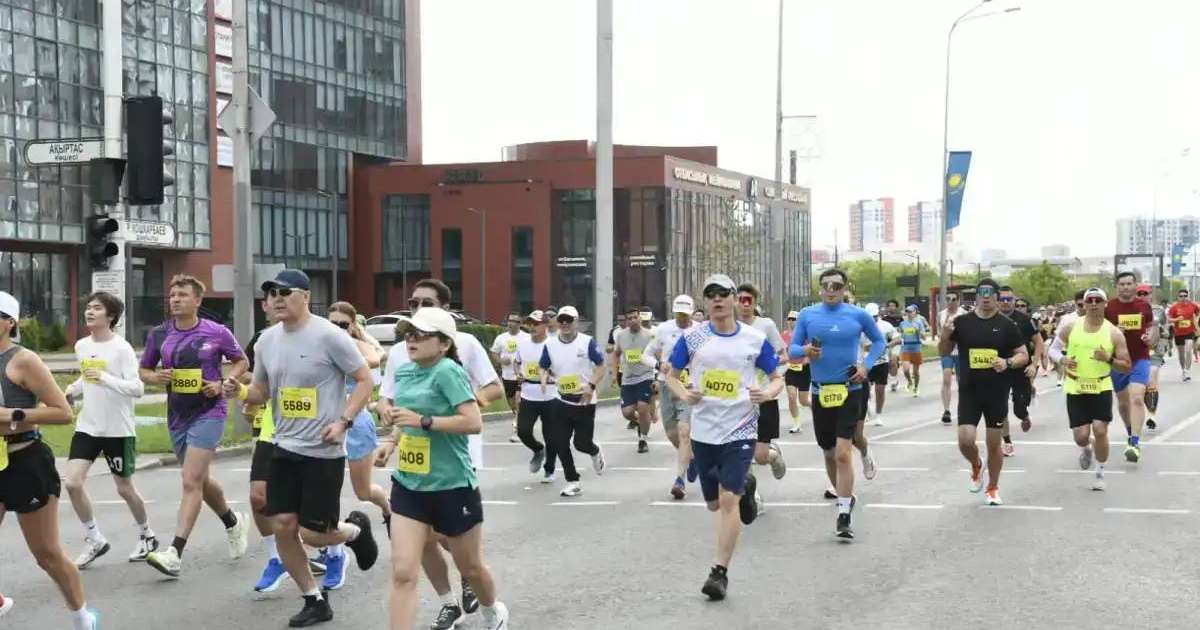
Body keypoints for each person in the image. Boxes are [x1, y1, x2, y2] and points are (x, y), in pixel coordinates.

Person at [224, 269, 379, 627]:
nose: (276, 298)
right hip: (283, 446)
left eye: (284, 292)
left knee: (314, 532)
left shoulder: (328, 336)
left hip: (323, 451)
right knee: (282, 524)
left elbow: (364, 379)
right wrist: (242, 392)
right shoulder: (265, 341)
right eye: (271, 293)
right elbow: (262, 390)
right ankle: (314, 599)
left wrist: (344, 421)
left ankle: (355, 531)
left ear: (305, 297)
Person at [377, 278, 502, 629]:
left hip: (452, 484)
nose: (411, 339)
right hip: (410, 484)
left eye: (421, 334)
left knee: (471, 568)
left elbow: (473, 421)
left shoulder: (450, 372)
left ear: (445, 343)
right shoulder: (404, 371)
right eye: (408, 333)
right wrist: (390, 442)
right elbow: (406, 420)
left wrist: (426, 420)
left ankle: (492, 611)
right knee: (403, 572)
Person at [667, 274, 780, 600]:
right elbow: (671, 377)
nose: (717, 300)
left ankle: (719, 572)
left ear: (734, 299)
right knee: (714, 503)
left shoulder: (754, 339)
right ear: (706, 302)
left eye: (723, 294)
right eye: (711, 295)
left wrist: (767, 393)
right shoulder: (693, 338)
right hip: (704, 431)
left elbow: (776, 378)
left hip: (740, 427)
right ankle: (747, 487)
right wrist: (685, 393)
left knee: (728, 501)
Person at [0, 292, 99, 629]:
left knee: (47, 555)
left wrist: (10, 415)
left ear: (9, 322)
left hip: (25, 460)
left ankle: (82, 618)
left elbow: (62, 412)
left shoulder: (22, 360)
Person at [141, 274, 250, 578]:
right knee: (198, 480)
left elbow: (241, 362)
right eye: (172, 295)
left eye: (183, 295)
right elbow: (144, 370)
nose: (175, 299)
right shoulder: (159, 334)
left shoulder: (216, 332)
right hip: (177, 415)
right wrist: (155, 378)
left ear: (198, 301)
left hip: (210, 412)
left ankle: (174, 552)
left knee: (190, 480)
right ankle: (232, 522)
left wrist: (224, 382)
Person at [62, 292, 156, 569]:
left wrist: (105, 378)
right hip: (88, 426)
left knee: (124, 489)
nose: (90, 312)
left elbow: (137, 388)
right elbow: (86, 377)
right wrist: (72, 390)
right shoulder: (81, 346)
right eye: (88, 307)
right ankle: (95, 539)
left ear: (111, 316)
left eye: (97, 308)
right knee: (72, 482)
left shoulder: (122, 349)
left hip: (118, 430)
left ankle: (147, 536)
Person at [790, 269, 884, 540]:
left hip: (850, 388)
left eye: (837, 285)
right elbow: (792, 350)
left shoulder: (857, 314)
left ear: (844, 289)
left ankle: (843, 513)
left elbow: (879, 342)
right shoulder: (808, 315)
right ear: (820, 289)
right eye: (826, 285)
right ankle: (845, 496)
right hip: (821, 393)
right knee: (830, 453)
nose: (832, 289)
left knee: (844, 452)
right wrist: (806, 351)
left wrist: (865, 367)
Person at [317, 301, 390, 590]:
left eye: (343, 324)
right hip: (324, 425)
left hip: (356, 423)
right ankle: (333, 550)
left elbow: (374, 359)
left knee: (363, 491)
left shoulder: (358, 344)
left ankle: (388, 509)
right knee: (326, 489)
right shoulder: (318, 342)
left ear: (353, 326)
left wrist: (351, 343)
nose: (336, 329)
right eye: (331, 324)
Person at [939, 278, 1030, 506]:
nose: (986, 297)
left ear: (997, 297)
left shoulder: (1007, 325)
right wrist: (944, 334)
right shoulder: (962, 322)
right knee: (965, 440)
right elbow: (944, 351)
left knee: (993, 444)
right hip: (970, 390)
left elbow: (1023, 355)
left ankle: (992, 487)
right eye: (982, 293)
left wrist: (1007, 362)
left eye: (991, 294)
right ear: (977, 296)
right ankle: (976, 464)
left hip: (996, 392)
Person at [1052, 288, 1131, 491]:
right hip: (1076, 385)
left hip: (1101, 384)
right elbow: (1052, 349)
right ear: (1084, 304)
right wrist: (1062, 359)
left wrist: (1109, 359)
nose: (1093, 304)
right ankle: (1086, 448)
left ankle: (1100, 471)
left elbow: (1126, 365)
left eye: (1098, 300)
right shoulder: (1071, 326)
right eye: (1090, 300)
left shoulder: (1113, 332)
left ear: (1106, 304)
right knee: (1081, 435)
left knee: (1100, 429)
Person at [539, 305, 607, 497]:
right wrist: (544, 378)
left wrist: (591, 385)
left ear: (576, 322)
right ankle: (573, 481)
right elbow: (543, 366)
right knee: (560, 442)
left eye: (569, 320)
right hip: (562, 400)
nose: (565, 324)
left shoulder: (587, 342)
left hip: (585, 401)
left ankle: (594, 451)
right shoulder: (550, 344)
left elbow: (601, 366)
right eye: (561, 320)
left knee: (581, 444)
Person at [642, 295, 700, 498]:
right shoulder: (663, 329)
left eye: (685, 314)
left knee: (684, 431)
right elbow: (645, 355)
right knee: (672, 434)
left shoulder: (699, 331)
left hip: (689, 386)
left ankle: (679, 480)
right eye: (678, 314)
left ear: (692, 313)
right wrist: (659, 365)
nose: (682, 318)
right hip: (668, 385)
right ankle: (691, 458)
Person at [735, 284, 788, 490]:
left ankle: (773, 456)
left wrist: (765, 361)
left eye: (749, 300)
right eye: (741, 299)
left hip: (764, 397)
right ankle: (751, 496)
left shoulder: (765, 325)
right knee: (742, 453)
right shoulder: (728, 328)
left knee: (761, 456)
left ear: (755, 302)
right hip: (738, 399)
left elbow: (784, 355)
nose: (744, 304)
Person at [1104, 271, 1157, 463]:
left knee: (1136, 398)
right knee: (1124, 403)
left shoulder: (1144, 306)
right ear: (1117, 286)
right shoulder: (1108, 307)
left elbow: (1152, 329)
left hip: (1140, 358)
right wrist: (1115, 332)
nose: (1126, 287)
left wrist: (1150, 337)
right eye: (1122, 284)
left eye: (1129, 284)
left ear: (1135, 286)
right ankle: (1129, 431)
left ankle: (1134, 442)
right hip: (1118, 361)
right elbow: (1100, 333)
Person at [512, 311, 557, 483]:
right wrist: (518, 375)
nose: (532, 327)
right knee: (523, 431)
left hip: (550, 395)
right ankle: (538, 450)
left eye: (536, 324)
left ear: (545, 325)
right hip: (528, 393)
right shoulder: (523, 344)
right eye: (530, 323)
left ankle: (549, 469)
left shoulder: (553, 344)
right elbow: (517, 362)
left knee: (551, 435)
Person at [997, 286, 1043, 457]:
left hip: (1020, 367)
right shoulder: (992, 318)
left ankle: (1024, 416)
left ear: (1014, 301)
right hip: (999, 368)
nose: (1006, 303)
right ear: (997, 300)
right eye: (1002, 299)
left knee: (1018, 407)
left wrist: (1034, 364)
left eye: (1009, 299)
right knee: (1000, 406)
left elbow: (1039, 342)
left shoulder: (1024, 319)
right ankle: (1007, 442)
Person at [614, 306, 656, 453]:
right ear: (626, 321)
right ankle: (642, 421)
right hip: (628, 379)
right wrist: (614, 374)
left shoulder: (649, 335)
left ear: (640, 318)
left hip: (645, 376)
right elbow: (616, 353)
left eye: (635, 317)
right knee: (627, 413)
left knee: (643, 407)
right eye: (629, 318)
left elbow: (658, 356)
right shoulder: (620, 335)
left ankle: (642, 440)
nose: (632, 320)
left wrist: (657, 377)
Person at [490, 315, 528, 444]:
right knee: (512, 403)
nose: (510, 323)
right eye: (509, 321)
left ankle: (516, 430)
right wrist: (500, 360)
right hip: (507, 376)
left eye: (514, 321)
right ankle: (519, 419)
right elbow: (494, 353)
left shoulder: (526, 338)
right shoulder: (501, 338)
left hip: (522, 375)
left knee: (518, 401)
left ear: (519, 323)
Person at [862, 303, 898, 427]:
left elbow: (898, 338)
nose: (872, 319)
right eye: (870, 316)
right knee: (864, 390)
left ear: (878, 314)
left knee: (880, 390)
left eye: (874, 316)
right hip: (866, 362)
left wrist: (888, 345)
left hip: (882, 361)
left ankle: (878, 415)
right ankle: (866, 408)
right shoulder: (861, 327)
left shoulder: (885, 326)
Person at [781, 310, 811, 434]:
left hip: (804, 370)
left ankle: (815, 408)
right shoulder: (783, 335)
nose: (791, 321)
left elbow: (812, 349)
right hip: (790, 369)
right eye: (789, 319)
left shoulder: (805, 334)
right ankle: (796, 422)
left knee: (803, 401)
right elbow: (781, 351)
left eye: (794, 319)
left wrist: (807, 358)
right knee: (791, 396)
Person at [937, 293, 964, 424]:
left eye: (954, 299)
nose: (950, 301)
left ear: (958, 301)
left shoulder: (963, 314)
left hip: (960, 351)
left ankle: (962, 409)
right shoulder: (942, 314)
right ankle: (946, 410)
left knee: (961, 381)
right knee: (946, 378)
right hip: (947, 351)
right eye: (947, 299)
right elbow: (939, 332)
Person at [1143, 285, 1167, 430]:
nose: (1142, 296)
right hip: (1134, 352)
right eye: (1139, 293)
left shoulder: (1158, 310)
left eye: (1145, 293)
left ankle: (1151, 415)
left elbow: (1166, 328)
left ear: (1150, 296)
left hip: (1154, 351)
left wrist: (1163, 342)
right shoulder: (1128, 311)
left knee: (1151, 378)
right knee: (1140, 386)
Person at [1168, 288, 1199, 381]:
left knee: (1188, 350)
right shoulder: (1174, 307)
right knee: (1181, 353)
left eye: (1185, 296)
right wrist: (1176, 320)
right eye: (1181, 296)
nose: (1183, 298)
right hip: (1178, 333)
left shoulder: (1193, 305)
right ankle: (1183, 370)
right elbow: (1169, 319)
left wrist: (1195, 320)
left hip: (1189, 332)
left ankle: (1188, 370)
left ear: (1187, 296)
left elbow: (1197, 313)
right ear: (1178, 297)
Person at [897, 305, 928, 397]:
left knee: (915, 372)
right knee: (906, 369)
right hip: (905, 347)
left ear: (915, 312)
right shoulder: (903, 323)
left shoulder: (919, 323)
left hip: (916, 347)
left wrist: (918, 331)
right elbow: (899, 334)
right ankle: (910, 381)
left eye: (911, 311)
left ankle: (916, 387)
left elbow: (924, 337)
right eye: (907, 312)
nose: (909, 313)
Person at [882, 300, 904, 393]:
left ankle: (893, 381)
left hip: (897, 342)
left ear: (896, 307)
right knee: (890, 363)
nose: (891, 307)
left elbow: (903, 330)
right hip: (887, 343)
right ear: (887, 307)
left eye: (893, 306)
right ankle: (892, 375)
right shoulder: (884, 319)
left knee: (894, 360)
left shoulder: (900, 318)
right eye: (890, 306)